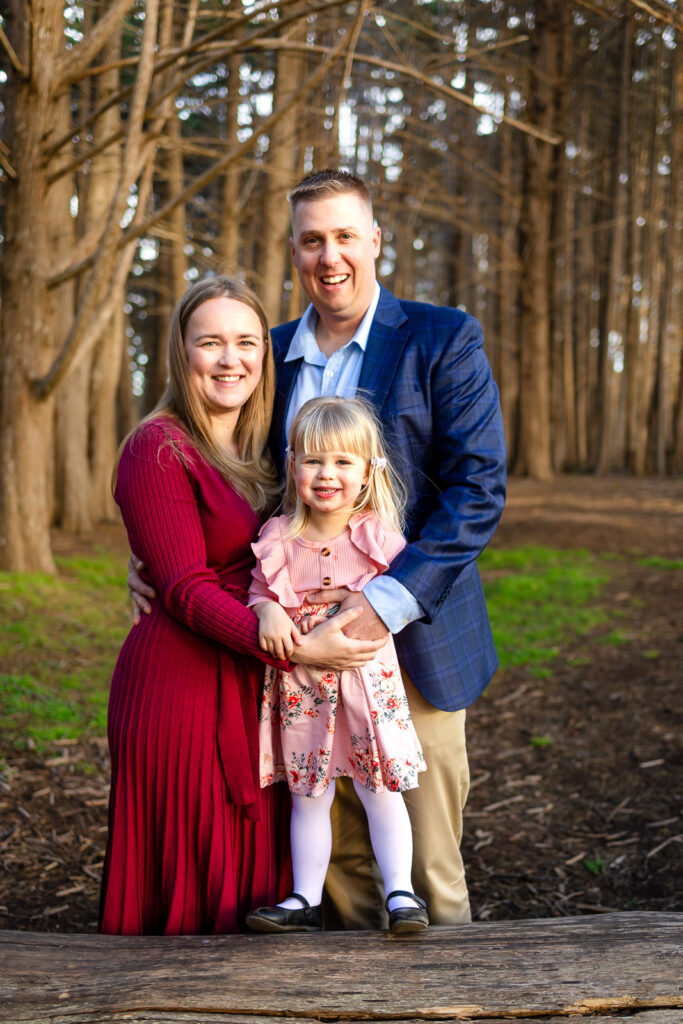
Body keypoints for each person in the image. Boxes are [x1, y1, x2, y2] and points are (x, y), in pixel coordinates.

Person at [129, 169, 507, 929]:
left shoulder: (440, 338)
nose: (328, 255)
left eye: (343, 236)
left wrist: (380, 605)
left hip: (412, 643)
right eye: (310, 240)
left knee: (425, 858)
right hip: (294, 653)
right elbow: (218, 470)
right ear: (293, 251)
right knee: (328, 859)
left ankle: (459, 1001)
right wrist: (154, 557)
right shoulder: (264, 354)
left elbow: (477, 490)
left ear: (374, 241)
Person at [100, 276, 384, 935]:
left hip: (254, 679)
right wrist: (296, 648)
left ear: (265, 352)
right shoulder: (157, 446)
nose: (231, 359)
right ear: (181, 352)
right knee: (198, 873)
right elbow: (184, 586)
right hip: (184, 687)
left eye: (246, 342)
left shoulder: (258, 448)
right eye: (211, 342)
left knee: (258, 878)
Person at [245, 397, 428, 934]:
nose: (327, 474)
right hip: (302, 688)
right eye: (314, 460)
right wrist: (268, 608)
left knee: (380, 789)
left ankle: (400, 892)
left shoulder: (378, 536)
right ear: (293, 464)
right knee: (308, 794)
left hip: (366, 684)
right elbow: (258, 591)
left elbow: (403, 597)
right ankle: (304, 896)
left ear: (369, 471)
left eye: (344, 462)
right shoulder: (278, 537)